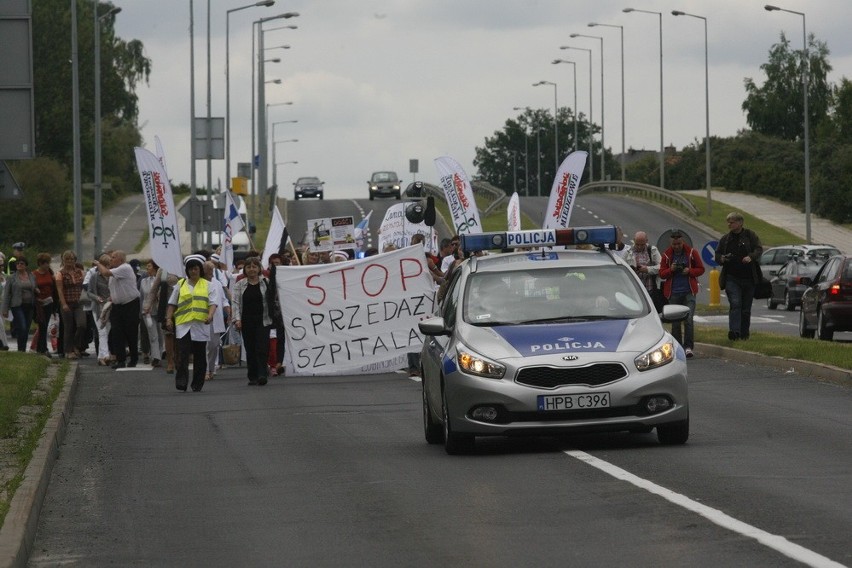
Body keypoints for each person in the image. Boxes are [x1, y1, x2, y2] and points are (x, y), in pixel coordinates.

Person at [165, 255, 217, 392]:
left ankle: (197, 383)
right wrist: (168, 319)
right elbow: (172, 303)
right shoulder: (180, 285)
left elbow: (212, 304)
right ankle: (181, 382)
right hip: (183, 325)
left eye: (195, 269)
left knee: (200, 356)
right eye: (190, 269)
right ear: (187, 271)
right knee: (182, 353)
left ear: (200, 270)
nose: (193, 272)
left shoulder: (208, 285)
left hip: (201, 325)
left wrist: (210, 316)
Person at [715, 212, 763, 341]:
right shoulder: (725, 239)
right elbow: (717, 255)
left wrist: (750, 257)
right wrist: (723, 259)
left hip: (749, 278)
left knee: (746, 309)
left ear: (740, 223)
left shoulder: (750, 235)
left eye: (732, 222)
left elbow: (759, 249)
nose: (729, 224)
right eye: (728, 222)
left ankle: (744, 334)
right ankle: (734, 332)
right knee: (736, 304)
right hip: (732, 278)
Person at [659, 229, 705, 358]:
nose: (677, 247)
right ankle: (678, 347)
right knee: (675, 322)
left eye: (679, 244)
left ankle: (688, 347)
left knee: (688, 319)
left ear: (682, 242)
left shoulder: (691, 253)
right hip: (673, 292)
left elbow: (701, 269)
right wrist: (671, 270)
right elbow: (662, 273)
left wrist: (689, 271)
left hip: (689, 291)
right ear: (671, 244)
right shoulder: (666, 255)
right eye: (674, 244)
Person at [95, 250, 141, 369]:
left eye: (113, 257)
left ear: (121, 260)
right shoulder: (115, 272)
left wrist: (98, 263)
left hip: (130, 304)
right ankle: (120, 359)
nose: (111, 260)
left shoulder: (125, 268)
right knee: (117, 333)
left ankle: (134, 358)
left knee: (131, 332)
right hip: (117, 305)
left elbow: (105, 272)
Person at [231, 256, 273, 386]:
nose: (251, 269)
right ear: (245, 269)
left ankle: (262, 374)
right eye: (249, 267)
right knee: (250, 348)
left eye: (254, 266)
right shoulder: (239, 285)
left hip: (263, 319)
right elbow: (235, 303)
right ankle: (252, 375)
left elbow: (273, 299)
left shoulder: (266, 282)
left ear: (259, 268)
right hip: (246, 320)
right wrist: (237, 319)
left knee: (262, 347)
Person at [55, 250, 87, 359]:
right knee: (68, 327)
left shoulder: (80, 272)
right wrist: (63, 304)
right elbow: (60, 290)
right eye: (67, 259)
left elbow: (85, 286)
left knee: (82, 325)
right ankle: (68, 351)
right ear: (63, 261)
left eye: (72, 259)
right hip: (67, 302)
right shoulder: (60, 273)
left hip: (79, 303)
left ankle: (76, 345)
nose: (70, 261)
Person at [622, 231, 664, 312]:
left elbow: (662, 267)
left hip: (650, 288)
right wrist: (631, 270)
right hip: (634, 290)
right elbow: (621, 269)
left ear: (646, 241)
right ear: (634, 240)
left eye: (642, 244)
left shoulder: (652, 250)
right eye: (637, 244)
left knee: (650, 311)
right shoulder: (627, 252)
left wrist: (648, 269)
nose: (639, 247)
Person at [1, 256, 36, 352]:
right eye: (18, 264)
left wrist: (37, 290)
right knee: (22, 327)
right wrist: (5, 309)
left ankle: (22, 349)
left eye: (22, 264)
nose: (19, 265)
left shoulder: (31, 276)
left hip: (30, 305)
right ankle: (21, 349)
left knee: (26, 329)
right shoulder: (12, 278)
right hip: (17, 305)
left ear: (26, 266)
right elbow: (7, 294)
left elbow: (34, 287)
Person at [203, 260, 229, 381]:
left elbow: (223, 300)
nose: (211, 272)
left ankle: (212, 368)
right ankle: (206, 370)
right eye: (208, 270)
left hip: (216, 318)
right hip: (202, 318)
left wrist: (229, 311)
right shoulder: (198, 283)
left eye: (212, 270)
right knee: (204, 346)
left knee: (214, 345)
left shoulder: (217, 283)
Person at [32, 253, 58, 356]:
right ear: (39, 263)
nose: (47, 265)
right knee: (42, 326)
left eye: (48, 263)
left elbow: (53, 288)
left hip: (49, 302)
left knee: (45, 326)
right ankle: (43, 349)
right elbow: (32, 287)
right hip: (38, 304)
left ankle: (41, 348)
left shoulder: (50, 273)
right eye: (44, 263)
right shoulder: (34, 274)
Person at [89, 253, 113, 366]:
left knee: (107, 331)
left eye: (109, 265)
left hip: (109, 306)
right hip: (98, 307)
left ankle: (101, 357)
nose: (108, 267)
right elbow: (89, 292)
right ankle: (106, 355)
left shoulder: (112, 275)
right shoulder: (94, 276)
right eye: (107, 265)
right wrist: (96, 297)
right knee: (102, 331)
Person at [140, 259, 163, 368]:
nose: (147, 268)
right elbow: (142, 297)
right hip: (147, 311)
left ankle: (160, 353)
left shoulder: (162, 280)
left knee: (160, 334)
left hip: (159, 310)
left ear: (154, 267)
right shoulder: (143, 281)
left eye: (149, 266)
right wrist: (142, 310)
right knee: (153, 335)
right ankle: (156, 357)